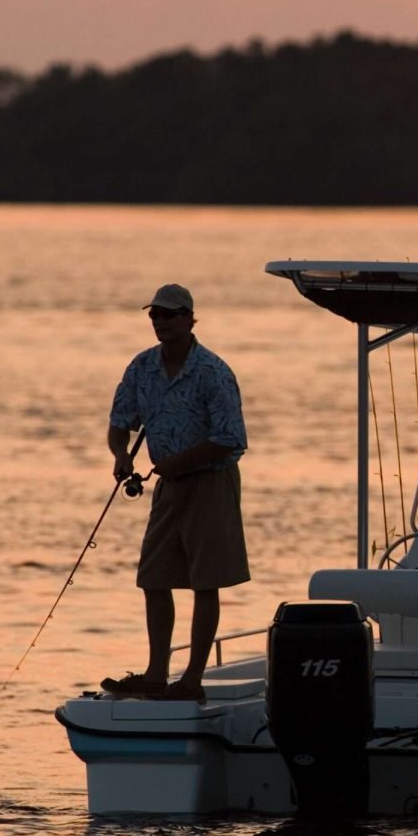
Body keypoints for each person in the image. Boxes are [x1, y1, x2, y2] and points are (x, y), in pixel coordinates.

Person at [100, 283, 250, 703]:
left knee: (206, 581)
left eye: (169, 315)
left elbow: (231, 439)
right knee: (154, 577)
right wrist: (120, 456)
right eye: (154, 316)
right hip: (169, 485)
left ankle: (191, 679)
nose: (160, 322)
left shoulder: (212, 371)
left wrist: (179, 462)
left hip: (211, 483)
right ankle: (155, 673)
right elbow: (119, 422)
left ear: (189, 318)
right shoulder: (141, 367)